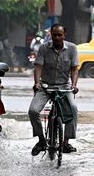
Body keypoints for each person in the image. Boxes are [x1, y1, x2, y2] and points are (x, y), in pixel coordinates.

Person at [28, 23, 79, 156]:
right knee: (33, 111)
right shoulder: (44, 48)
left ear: (64, 35)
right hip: (45, 87)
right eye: (54, 35)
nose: (57, 38)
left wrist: (74, 85)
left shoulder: (72, 49)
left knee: (73, 109)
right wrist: (37, 83)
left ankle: (66, 142)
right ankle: (41, 140)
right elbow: (38, 66)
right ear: (51, 34)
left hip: (64, 88)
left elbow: (74, 69)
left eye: (59, 35)